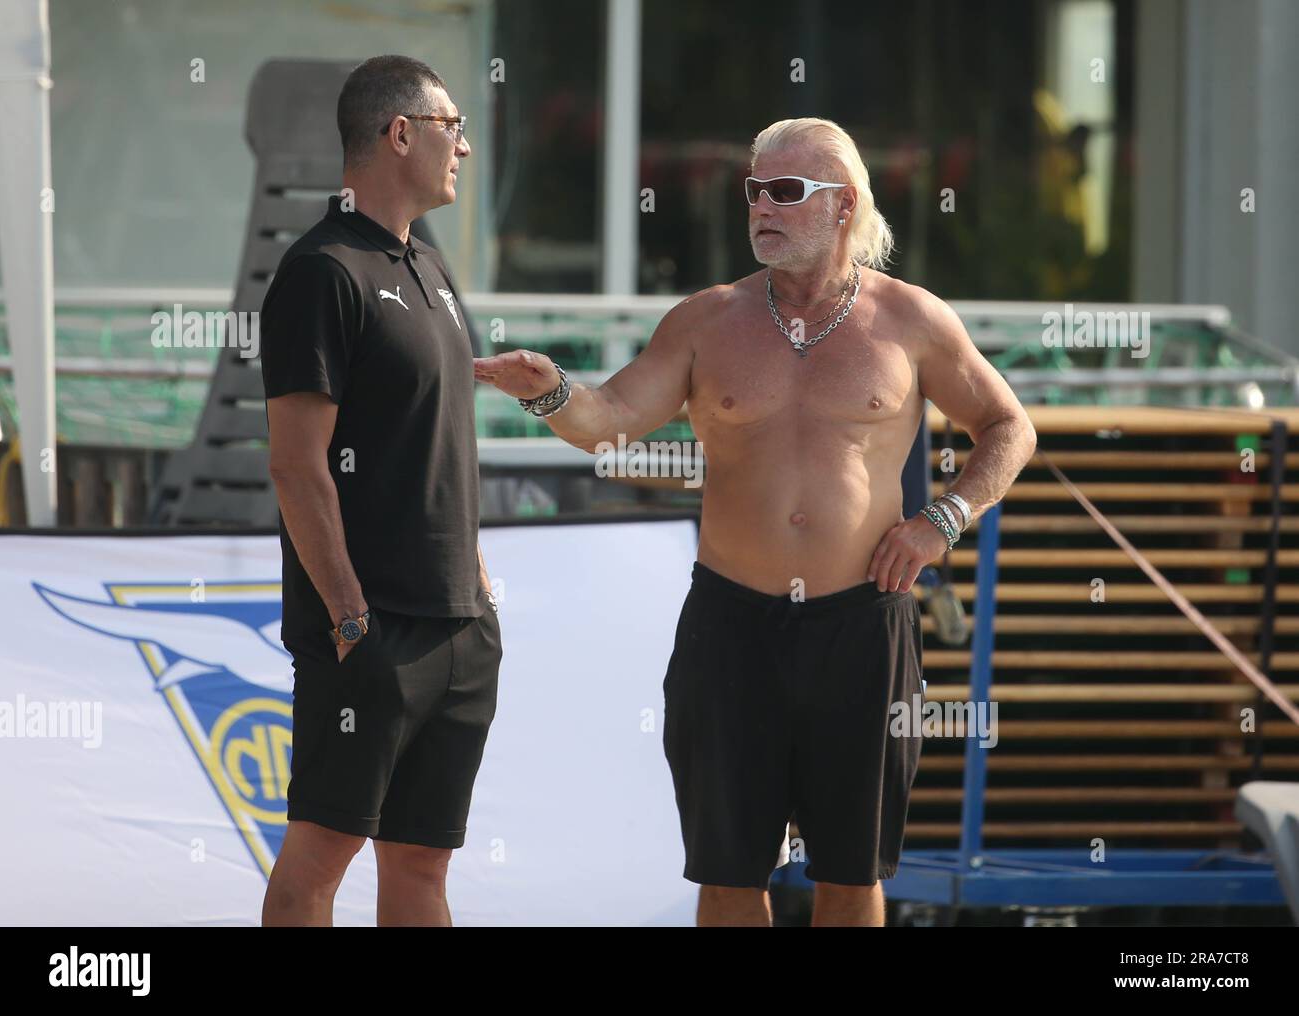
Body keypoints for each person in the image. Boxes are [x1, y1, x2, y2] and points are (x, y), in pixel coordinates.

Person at [474, 117, 1036, 927]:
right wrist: (551, 391)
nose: (761, 208)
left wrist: (941, 520)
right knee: (730, 873)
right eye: (753, 192)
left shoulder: (910, 320)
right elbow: (613, 422)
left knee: (851, 875)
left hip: (860, 623)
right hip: (732, 625)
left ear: (842, 206)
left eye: (785, 192)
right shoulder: (708, 320)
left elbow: (1010, 427)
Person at [259, 55, 501, 927]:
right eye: (452, 126)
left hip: (458, 627)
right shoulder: (321, 271)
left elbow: (437, 443)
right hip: (369, 631)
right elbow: (296, 464)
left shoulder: (428, 265)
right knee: (319, 858)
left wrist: (474, 588)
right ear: (401, 134)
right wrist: (350, 614)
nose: (465, 147)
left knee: (424, 871)